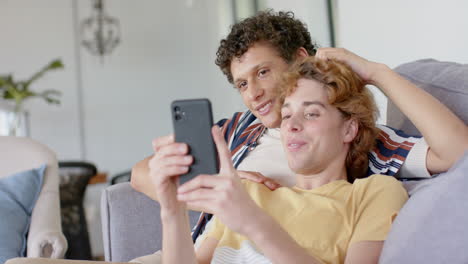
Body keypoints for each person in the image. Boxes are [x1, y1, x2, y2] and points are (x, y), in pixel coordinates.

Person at [131, 10, 467, 245]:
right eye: (242, 84)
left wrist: (377, 73)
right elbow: (141, 173)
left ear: (301, 59)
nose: (254, 94)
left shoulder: (346, 133)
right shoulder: (237, 129)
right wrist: (222, 195)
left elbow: (457, 152)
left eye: (263, 72)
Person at [156, 54, 411, 264]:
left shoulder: (374, 193)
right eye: (287, 116)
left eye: (311, 113)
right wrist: (172, 211)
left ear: (349, 129)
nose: (292, 126)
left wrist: (255, 224)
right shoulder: (246, 193)